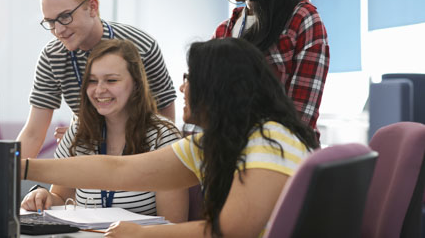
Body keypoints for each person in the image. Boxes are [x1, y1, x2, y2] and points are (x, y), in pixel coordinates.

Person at [21, 38, 319, 237]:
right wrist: (21, 166)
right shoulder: (221, 141)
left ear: (219, 88)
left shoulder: (269, 140)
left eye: (190, 79)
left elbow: (229, 232)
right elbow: (118, 170)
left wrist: (141, 234)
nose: (181, 88)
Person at [21, 39, 188, 222]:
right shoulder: (78, 131)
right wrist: (44, 197)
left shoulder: (163, 136)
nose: (99, 90)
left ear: (137, 84)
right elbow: (61, 197)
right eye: (92, 81)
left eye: (111, 80)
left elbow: (173, 225)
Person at [17, 0, 176, 158]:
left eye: (65, 16)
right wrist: (6, 178)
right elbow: (34, 133)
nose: (58, 30)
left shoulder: (141, 46)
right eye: (50, 22)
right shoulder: (52, 56)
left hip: (139, 152)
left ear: (92, 7)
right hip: (89, 156)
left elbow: (165, 115)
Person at [213, 0, 330, 137]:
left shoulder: (303, 21)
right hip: (228, 152)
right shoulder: (224, 32)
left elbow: (300, 118)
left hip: (282, 156)